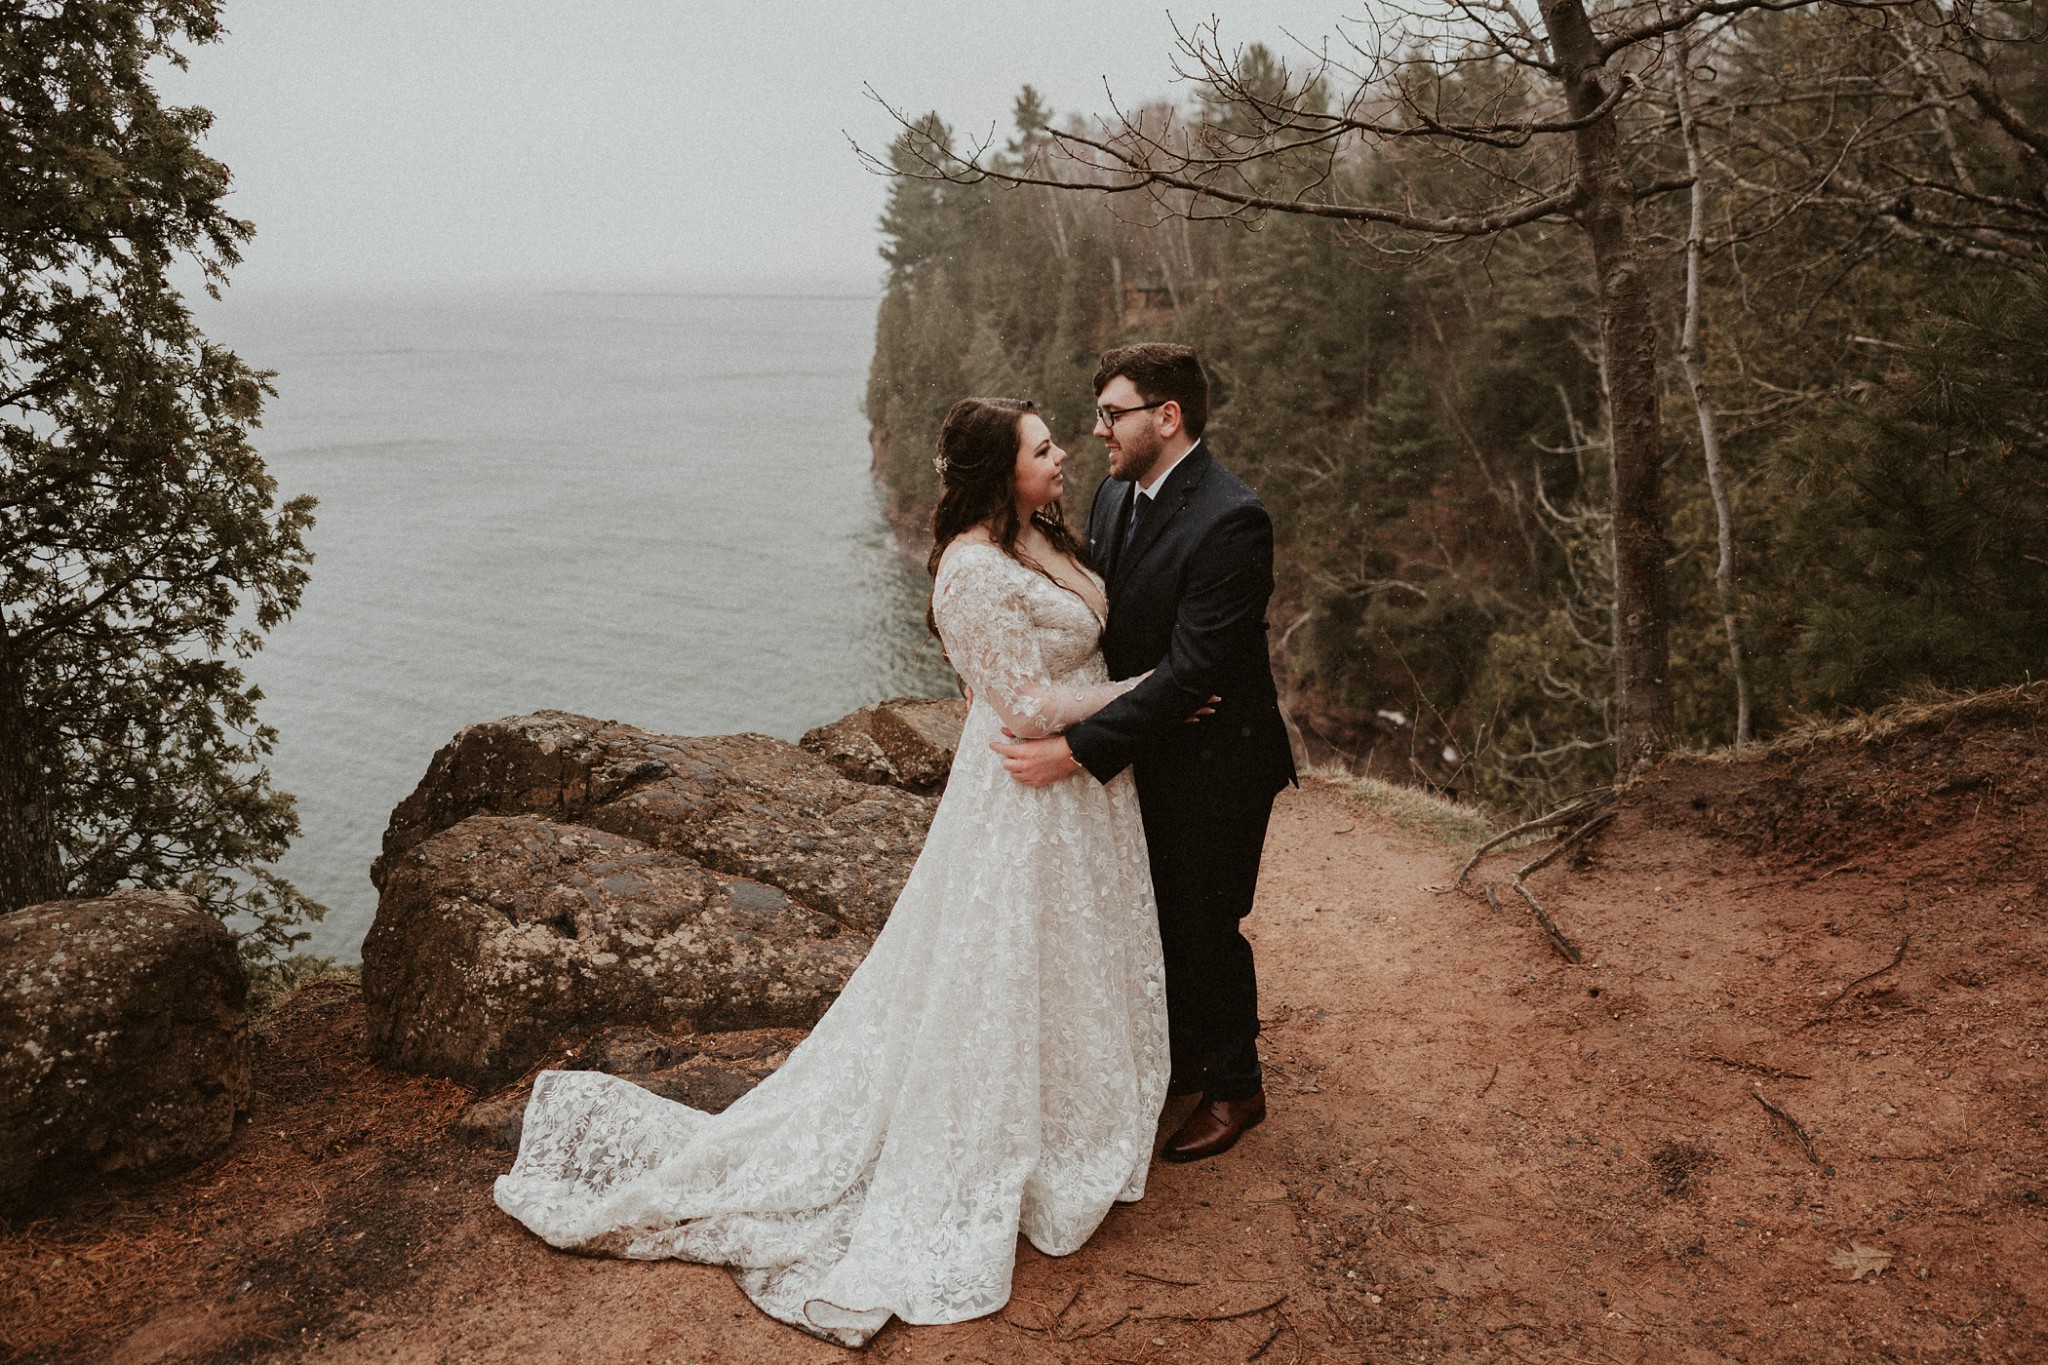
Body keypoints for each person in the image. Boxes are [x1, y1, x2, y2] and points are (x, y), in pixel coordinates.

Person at [495, 397, 1169, 1347]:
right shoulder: (972, 571)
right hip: (1028, 794)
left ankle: (1068, 1123)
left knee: (1065, 958)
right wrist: (1151, 690)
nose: (1065, 456)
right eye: (1043, 446)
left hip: (1078, 793)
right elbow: (1019, 706)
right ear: (997, 470)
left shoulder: (1039, 532)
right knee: (1004, 965)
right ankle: (992, 1149)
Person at [993, 343, 1296, 1163]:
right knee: (1156, 912)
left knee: (1205, 923)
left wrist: (1075, 748)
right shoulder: (1118, 493)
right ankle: (1184, 1056)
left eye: (1111, 414)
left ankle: (1238, 1088)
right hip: (1155, 744)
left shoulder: (1232, 517)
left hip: (1219, 758)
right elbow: (1115, 622)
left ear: (1168, 417)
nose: (1097, 432)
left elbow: (1195, 670)